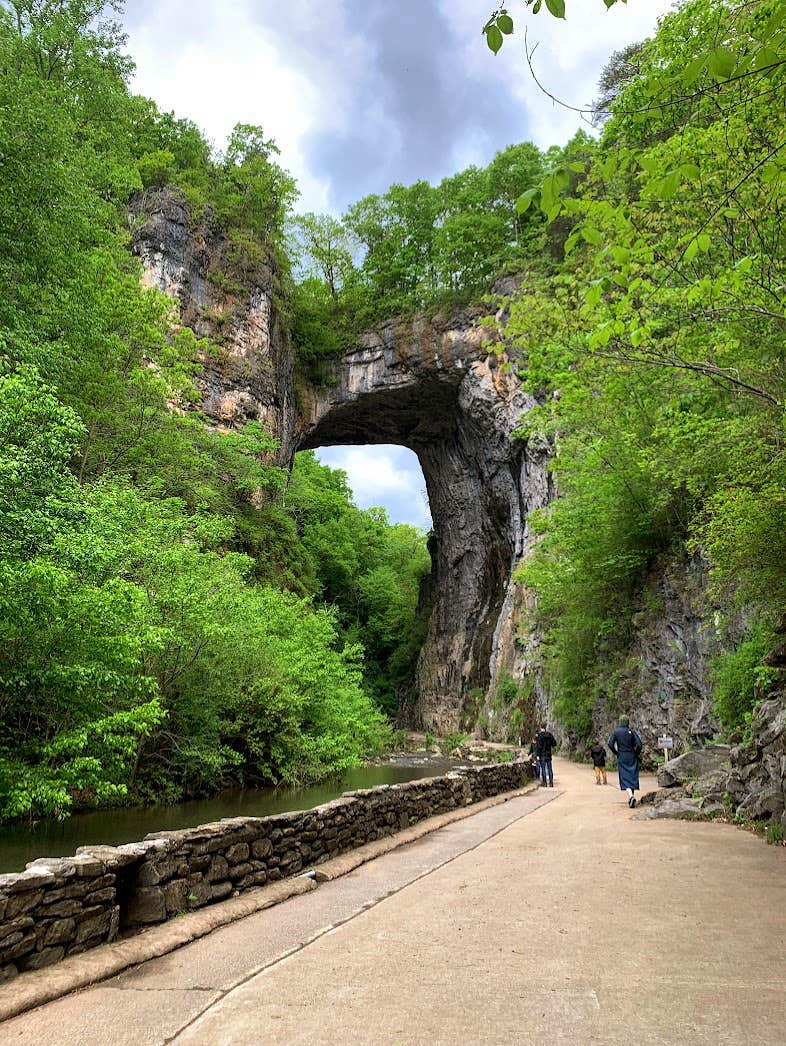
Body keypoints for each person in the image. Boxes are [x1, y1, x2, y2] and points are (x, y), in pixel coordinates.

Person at [608, 715, 643, 807]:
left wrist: (616, 752)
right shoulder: (631, 731)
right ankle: (631, 797)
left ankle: (631, 796)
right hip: (632, 756)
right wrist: (636, 753)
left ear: (620, 722)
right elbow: (639, 744)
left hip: (622, 756)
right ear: (627, 722)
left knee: (624, 777)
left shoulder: (616, 732)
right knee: (632, 776)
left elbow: (610, 744)